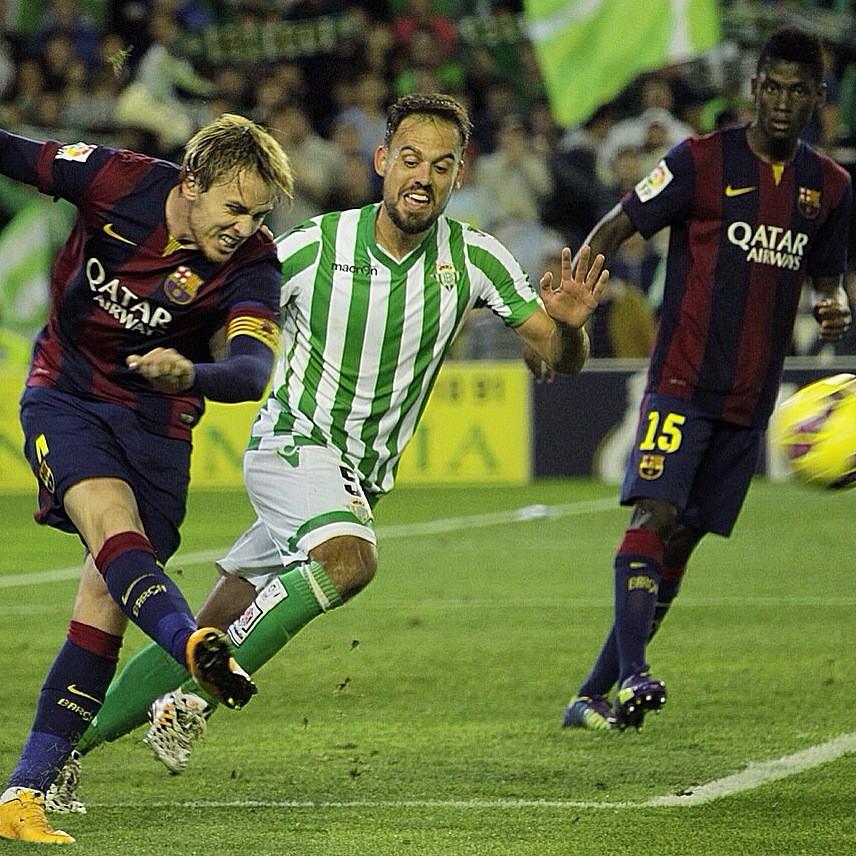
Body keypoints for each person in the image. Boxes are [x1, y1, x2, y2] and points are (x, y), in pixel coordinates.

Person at [46, 93, 609, 809]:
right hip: (293, 446)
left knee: (206, 629)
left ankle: (62, 751)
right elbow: (224, 320)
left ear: (458, 176)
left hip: (354, 482)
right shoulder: (314, 248)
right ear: (381, 161)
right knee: (350, 560)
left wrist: (573, 328)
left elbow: (558, 357)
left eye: (441, 165)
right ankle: (194, 705)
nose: (422, 177)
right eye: (409, 159)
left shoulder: (477, 261)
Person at [0, 113, 294, 843]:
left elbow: (253, 369)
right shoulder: (112, 178)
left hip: (160, 434)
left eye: (257, 213)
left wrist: (192, 370)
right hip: (65, 395)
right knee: (111, 529)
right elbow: (12, 152)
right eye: (234, 207)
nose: (244, 225)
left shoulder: (254, 261)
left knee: (106, 596)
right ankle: (191, 644)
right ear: (190, 184)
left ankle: (21, 793)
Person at [562, 27, 852, 733]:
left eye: (798, 91)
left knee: (684, 539)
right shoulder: (698, 161)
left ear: (817, 98)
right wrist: (577, 299)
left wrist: (834, 302)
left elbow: (827, 273)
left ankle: (592, 696)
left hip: (751, 398)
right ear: (754, 88)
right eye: (772, 87)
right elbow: (616, 225)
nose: (782, 102)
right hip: (683, 381)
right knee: (653, 516)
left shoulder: (832, 187)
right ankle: (633, 675)